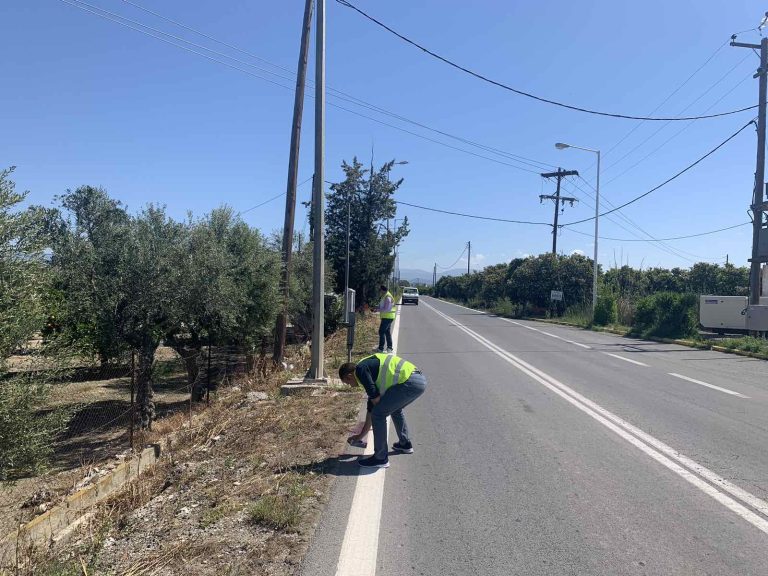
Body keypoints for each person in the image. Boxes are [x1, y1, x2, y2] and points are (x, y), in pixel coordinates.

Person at [339, 352, 427, 468]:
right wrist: (360, 436)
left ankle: (380, 458)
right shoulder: (368, 368)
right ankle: (404, 444)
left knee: (379, 414)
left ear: (349, 376)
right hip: (419, 380)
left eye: (348, 383)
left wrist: (360, 435)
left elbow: (375, 405)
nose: (350, 386)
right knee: (394, 409)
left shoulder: (360, 370)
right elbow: (371, 406)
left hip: (409, 382)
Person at [375, 285, 396, 353]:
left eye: (380, 290)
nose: (379, 292)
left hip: (388, 317)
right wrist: (377, 307)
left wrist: (377, 310)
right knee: (387, 332)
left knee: (381, 331)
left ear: (382, 290)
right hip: (387, 316)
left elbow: (386, 309)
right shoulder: (385, 296)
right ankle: (389, 348)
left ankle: (381, 348)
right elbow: (383, 306)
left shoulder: (388, 297)